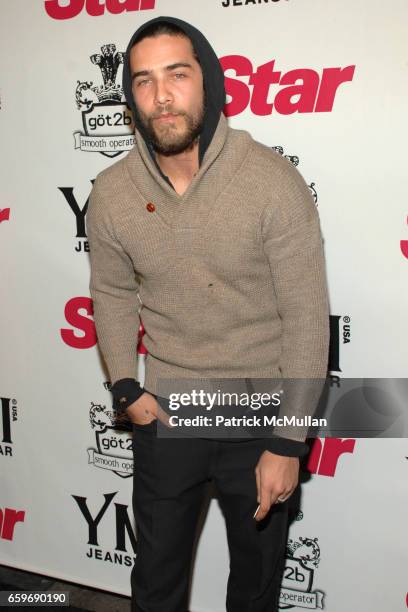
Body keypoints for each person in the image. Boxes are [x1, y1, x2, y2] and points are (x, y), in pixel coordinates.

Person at [87, 15, 330, 612]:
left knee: (255, 587)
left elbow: (305, 316)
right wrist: (123, 382)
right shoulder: (113, 193)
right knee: (155, 584)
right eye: (143, 81)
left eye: (177, 74)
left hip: (259, 411)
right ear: (130, 99)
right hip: (168, 410)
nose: (161, 95)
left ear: (210, 82)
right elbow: (113, 293)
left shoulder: (271, 181)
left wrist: (289, 441)